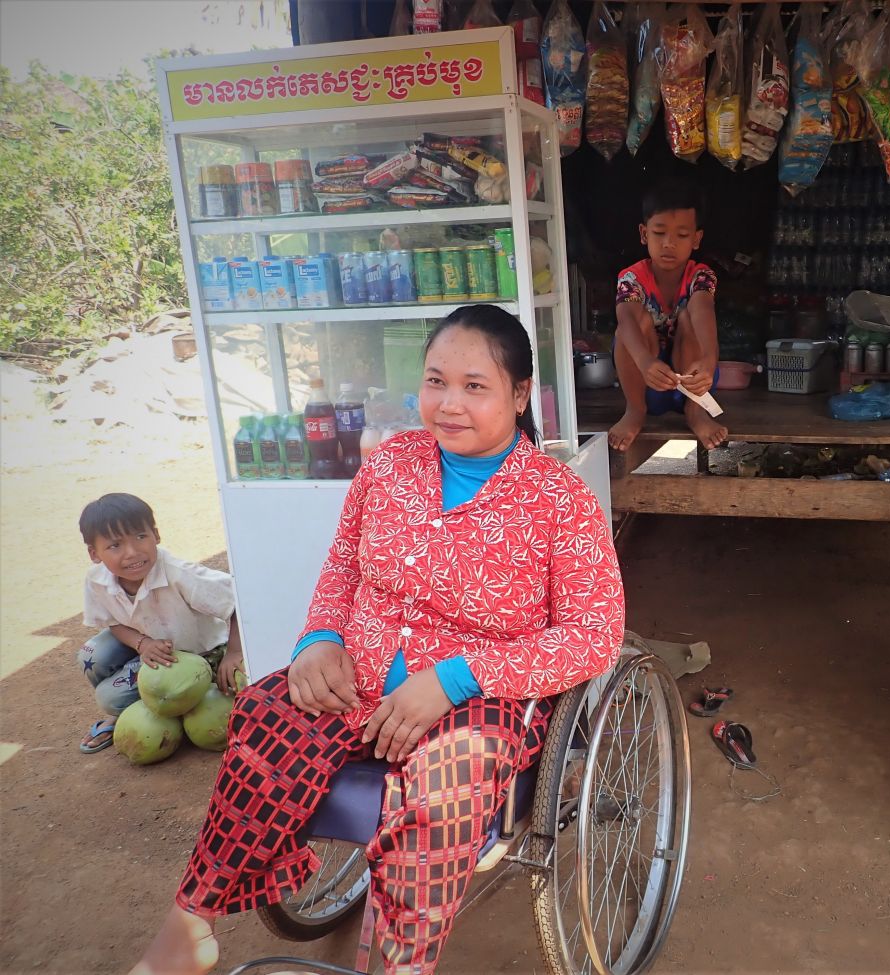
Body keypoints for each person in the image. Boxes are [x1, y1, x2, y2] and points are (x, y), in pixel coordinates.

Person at [130, 305, 625, 975]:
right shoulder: (392, 463)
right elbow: (342, 564)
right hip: (354, 674)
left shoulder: (558, 499)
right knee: (264, 713)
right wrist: (319, 637)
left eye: (475, 386)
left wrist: (452, 678)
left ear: (517, 395)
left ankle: (400, 965)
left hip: (480, 697)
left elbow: (593, 637)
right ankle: (192, 918)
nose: (449, 404)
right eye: (436, 381)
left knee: (441, 793)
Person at [77, 493, 244, 754]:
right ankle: (141, 709)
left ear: (156, 535)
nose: (132, 553)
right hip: (148, 644)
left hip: (196, 655)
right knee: (92, 654)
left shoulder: (180, 574)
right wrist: (142, 644)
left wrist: (234, 652)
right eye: (115, 545)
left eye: (140, 537)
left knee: (111, 697)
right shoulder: (96, 580)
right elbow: (113, 622)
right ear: (94, 553)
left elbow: (238, 602)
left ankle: (172, 703)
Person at [609, 181, 728, 453]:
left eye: (682, 235)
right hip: (647, 380)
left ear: (696, 239)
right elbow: (625, 319)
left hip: (694, 382)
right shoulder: (632, 277)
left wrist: (709, 360)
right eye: (659, 232)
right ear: (643, 233)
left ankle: (696, 413)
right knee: (633, 324)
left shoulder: (701, 276)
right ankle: (635, 411)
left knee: (689, 317)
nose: (669, 244)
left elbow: (703, 310)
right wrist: (644, 361)